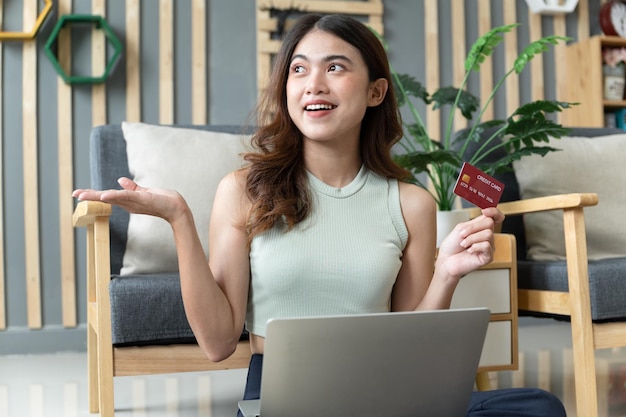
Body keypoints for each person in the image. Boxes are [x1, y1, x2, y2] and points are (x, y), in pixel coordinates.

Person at [73, 13, 566, 417]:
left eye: (335, 67)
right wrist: (179, 218)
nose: (314, 84)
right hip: (288, 394)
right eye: (299, 69)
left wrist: (447, 273)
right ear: (286, 89)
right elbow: (219, 342)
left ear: (375, 92)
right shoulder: (244, 191)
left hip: (387, 387)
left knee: (539, 407)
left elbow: (411, 339)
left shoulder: (410, 202)